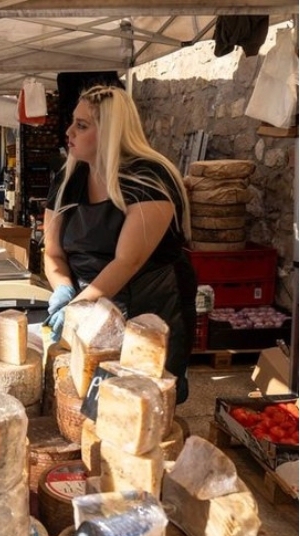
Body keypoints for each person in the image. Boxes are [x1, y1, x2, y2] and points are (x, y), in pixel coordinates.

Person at [43, 85, 196, 403]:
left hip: (150, 311)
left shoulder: (148, 179)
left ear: (111, 133)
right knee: (90, 402)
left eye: (82, 125)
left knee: (147, 404)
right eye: (73, 122)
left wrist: (79, 307)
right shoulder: (68, 180)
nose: (69, 131)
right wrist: (63, 291)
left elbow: (128, 260)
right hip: (91, 304)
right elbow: (54, 252)